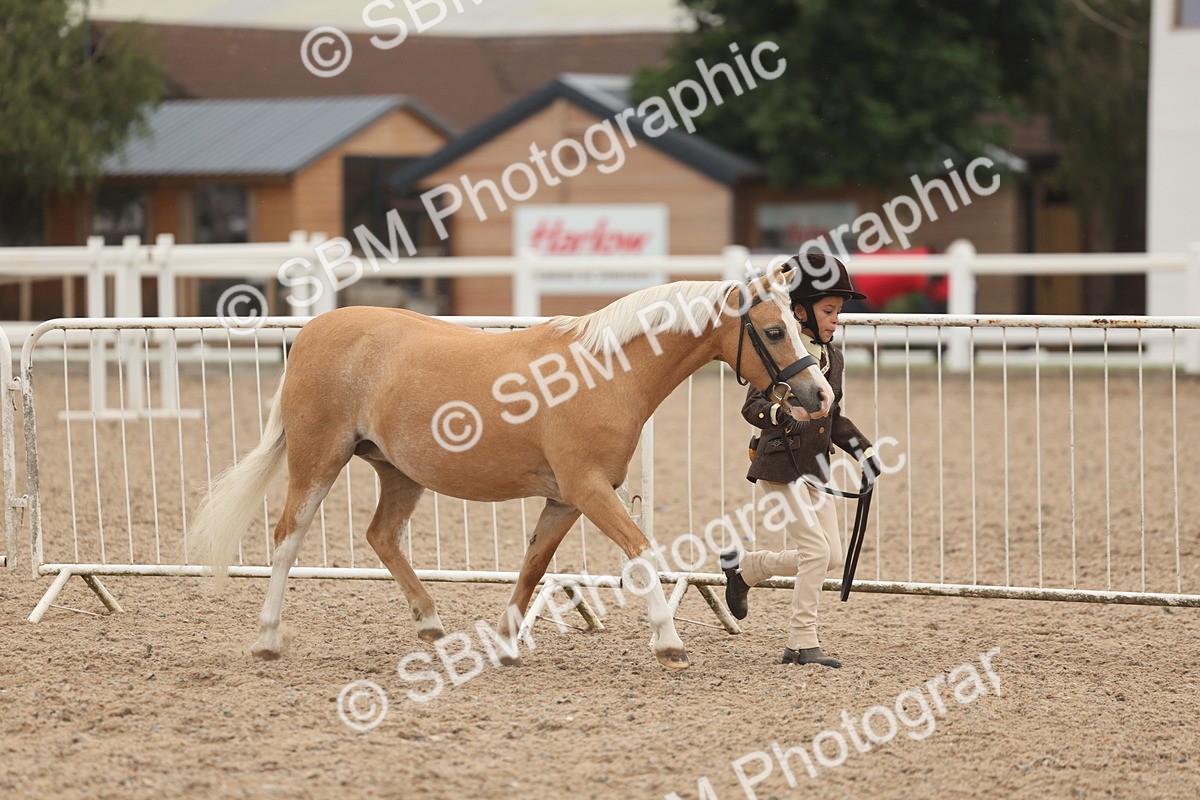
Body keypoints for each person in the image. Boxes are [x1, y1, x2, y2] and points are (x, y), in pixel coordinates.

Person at [723, 253, 880, 668]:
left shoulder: (833, 359)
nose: (835, 320)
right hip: (779, 465)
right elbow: (753, 407)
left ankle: (747, 568)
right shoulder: (779, 356)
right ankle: (800, 641)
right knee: (814, 552)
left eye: (838, 312)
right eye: (829, 311)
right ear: (799, 311)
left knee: (828, 556)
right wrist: (784, 413)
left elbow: (834, 414)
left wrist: (863, 449)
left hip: (816, 469)